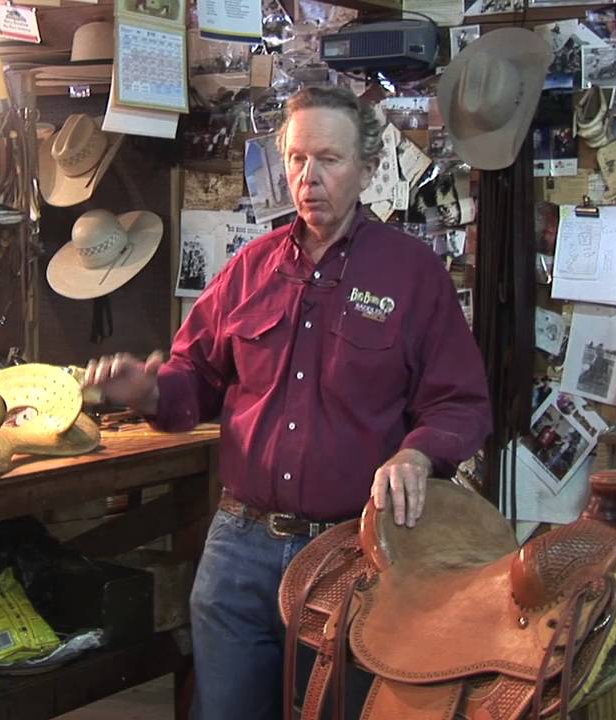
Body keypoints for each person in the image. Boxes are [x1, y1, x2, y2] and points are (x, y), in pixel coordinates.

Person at [82, 85, 491, 720]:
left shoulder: (412, 275)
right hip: (238, 548)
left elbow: (461, 404)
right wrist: (150, 389)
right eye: (298, 159)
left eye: (328, 159)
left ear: (368, 167)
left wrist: (418, 455)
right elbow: (195, 377)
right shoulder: (250, 267)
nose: (309, 177)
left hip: (352, 553)